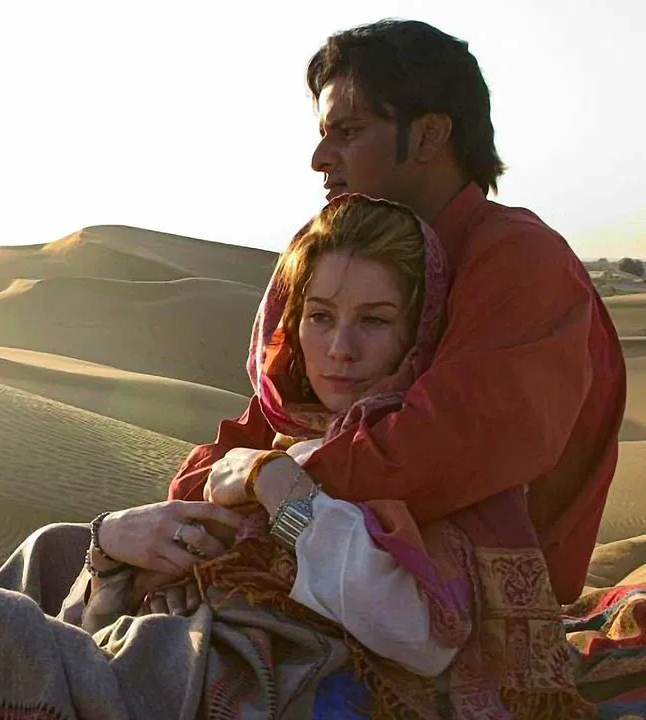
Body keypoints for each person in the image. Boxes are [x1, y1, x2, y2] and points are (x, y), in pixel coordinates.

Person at [0, 196, 592, 719]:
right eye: (320, 316)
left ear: (417, 332)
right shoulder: (287, 426)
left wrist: (282, 489)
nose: (340, 348)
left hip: (291, 675)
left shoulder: (418, 445)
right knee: (57, 549)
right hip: (208, 633)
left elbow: (417, 633)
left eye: (374, 321)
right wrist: (117, 540)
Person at [173, 18, 626, 607]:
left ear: (430, 135)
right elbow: (261, 426)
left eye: (349, 131)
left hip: (454, 607)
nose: (319, 158)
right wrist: (204, 491)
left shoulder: (519, 259)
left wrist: (266, 481)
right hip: (315, 570)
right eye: (323, 134)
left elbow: (440, 447)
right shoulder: (349, 259)